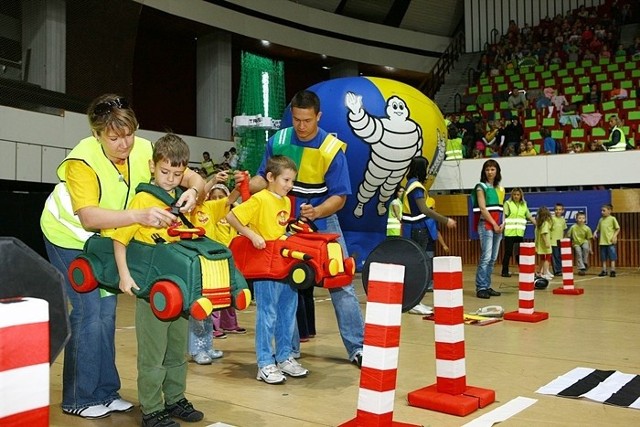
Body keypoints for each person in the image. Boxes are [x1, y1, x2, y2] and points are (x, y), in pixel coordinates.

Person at [40, 94, 203, 419]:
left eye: (129, 134)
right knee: (89, 312)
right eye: (114, 138)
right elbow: (89, 218)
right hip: (69, 236)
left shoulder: (142, 148)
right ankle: (79, 396)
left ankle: (106, 391)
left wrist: (194, 191)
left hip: (110, 239)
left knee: (108, 314)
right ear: (97, 134)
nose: (124, 144)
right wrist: (139, 218)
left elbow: (189, 175)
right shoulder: (81, 161)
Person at [249, 90, 365, 367]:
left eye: (307, 120)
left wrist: (318, 211)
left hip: (323, 221)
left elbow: (340, 196)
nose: (301, 126)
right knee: (285, 283)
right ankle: (288, 352)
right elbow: (261, 177)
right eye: (297, 119)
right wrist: (246, 185)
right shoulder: (277, 140)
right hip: (282, 222)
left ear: (318, 116)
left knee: (341, 282)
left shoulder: (331, 149)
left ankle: (358, 347)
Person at [112, 133, 204, 427]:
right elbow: (119, 238)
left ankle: (175, 398)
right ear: (152, 166)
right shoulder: (143, 199)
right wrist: (125, 275)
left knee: (177, 350)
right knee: (153, 353)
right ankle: (152, 408)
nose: (170, 179)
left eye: (178, 174)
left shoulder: (179, 198)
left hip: (178, 289)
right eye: (165, 172)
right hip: (151, 291)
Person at [227, 155, 309, 384]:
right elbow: (232, 216)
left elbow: (279, 226)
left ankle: (284, 357)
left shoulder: (286, 201)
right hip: (265, 267)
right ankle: (264, 363)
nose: (290, 185)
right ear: (270, 177)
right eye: (286, 180)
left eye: (292, 181)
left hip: (284, 265)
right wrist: (253, 235)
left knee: (287, 312)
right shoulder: (260, 199)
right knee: (268, 314)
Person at [187, 178, 243, 365]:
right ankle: (196, 349)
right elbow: (201, 192)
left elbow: (229, 200)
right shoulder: (188, 208)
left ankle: (207, 346)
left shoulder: (210, 207)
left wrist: (238, 186)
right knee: (198, 307)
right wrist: (211, 181)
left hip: (210, 261)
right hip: (196, 260)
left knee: (209, 306)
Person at [401, 157, 456, 311]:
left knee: (417, 264)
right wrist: (446, 220)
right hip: (419, 229)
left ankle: (414, 301)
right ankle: (415, 302)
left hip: (412, 228)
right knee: (420, 265)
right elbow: (424, 209)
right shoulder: (417, 187)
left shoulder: (409, 184)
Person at [471, 159, 505, 299]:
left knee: (492, 258)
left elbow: (502, 208)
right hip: (486, 225)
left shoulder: (501, 189)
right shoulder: (480, 187)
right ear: (484, 172)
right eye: (487, 169)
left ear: (497, 171)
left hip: (498, 226)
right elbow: (483, 209)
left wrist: (502, 224)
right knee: (485, 257)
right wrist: (495, 224)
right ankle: (481, 287)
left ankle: (487, 284)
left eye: (492, 169)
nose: (490, 172)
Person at [500, 188, 535, 277]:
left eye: (518, 195)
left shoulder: (524, 205)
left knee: (520, 253)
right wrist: (502, 227)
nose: (516, 196)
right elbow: (504, 217)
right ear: (512, 195)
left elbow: (529, 216)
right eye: (514, 194)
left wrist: (537, 224)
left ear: (521, 196)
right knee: (508, 252)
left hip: (519, 233)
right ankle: (504, 271)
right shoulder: (508, 204)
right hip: (509, 233)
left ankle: (523, 270)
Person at [594, 204, 621, 277]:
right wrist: (595, 232)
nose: (602, 212)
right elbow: (598, 228)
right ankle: (604, 270)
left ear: (609, 211)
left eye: (604, 210)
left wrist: (614, 236)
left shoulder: (612, 219)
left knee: (612, 257)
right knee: (603, 258)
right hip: (602, 242)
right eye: (601, 210)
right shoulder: (600, 219)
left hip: (610, 242)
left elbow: (618, 228)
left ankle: (613, 270)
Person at [567, 211, 593, 275]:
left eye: (583, 218)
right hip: (576, 243)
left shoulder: (587, 228)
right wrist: (570, 243)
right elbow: (568, 235)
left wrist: (590, 248)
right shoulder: (573, 227)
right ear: (576, 219)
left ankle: (585, 262)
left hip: (584, 241)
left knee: (585, 248)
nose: (581, 220)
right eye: (579, 218)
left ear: (585, 219)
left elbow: (589, 239)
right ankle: (582, 267)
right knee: (578, 252)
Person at [534, 206, 554, 280]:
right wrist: (546, 243)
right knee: (547, 258)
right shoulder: (545, 223)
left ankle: (539, 272)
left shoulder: (539, 224)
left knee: (543, 258)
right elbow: (544, 234)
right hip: (545, 244)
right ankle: (545, 273)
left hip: (540, 244)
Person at [550, 203, 567, 276]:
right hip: (553, 241)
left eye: (560, 209)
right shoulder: (552, 219)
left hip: (560, 241)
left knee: (560, 255)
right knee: (555, 256)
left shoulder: (563, 220)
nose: (558, 211)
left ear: (563, 211)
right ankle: (557, 270)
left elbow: (564, 230)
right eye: (556, 209)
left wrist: (563, 239)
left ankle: (560, 269)